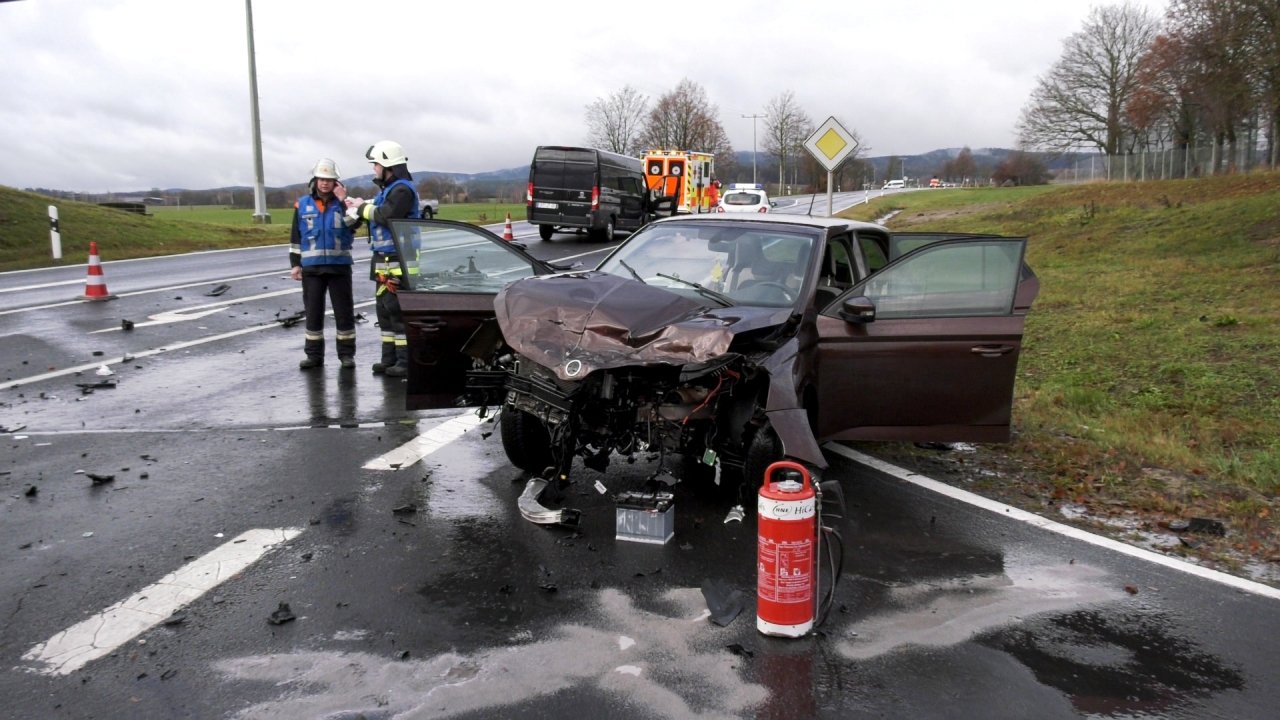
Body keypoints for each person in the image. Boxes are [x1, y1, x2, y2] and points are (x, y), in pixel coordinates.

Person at [346, 140, 421, 377]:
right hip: (383, 257)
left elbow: (384, 215)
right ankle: (388, 359)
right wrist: (359, 205)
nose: (374, 169)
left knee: (397, 311)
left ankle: (404, 362)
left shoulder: (402, 190)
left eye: (376, 164)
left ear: (387, 164)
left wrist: (360, 209)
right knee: (383, 310)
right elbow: (377, 207)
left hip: (399, 259)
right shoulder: (388, 191)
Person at [290, 158, 358, 370]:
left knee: (344, 312)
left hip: (339, 266)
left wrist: (345, 200)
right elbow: (296, 236)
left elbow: (354, 226)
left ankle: (346, 355)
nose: (325, 183)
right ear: (315, 180)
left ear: (336, 182)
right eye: (321, 179)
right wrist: (295, 264)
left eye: (329, 179)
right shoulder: (302, 204)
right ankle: (313, 356)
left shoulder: (345, 204)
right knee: (313, 312)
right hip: (312, 267)